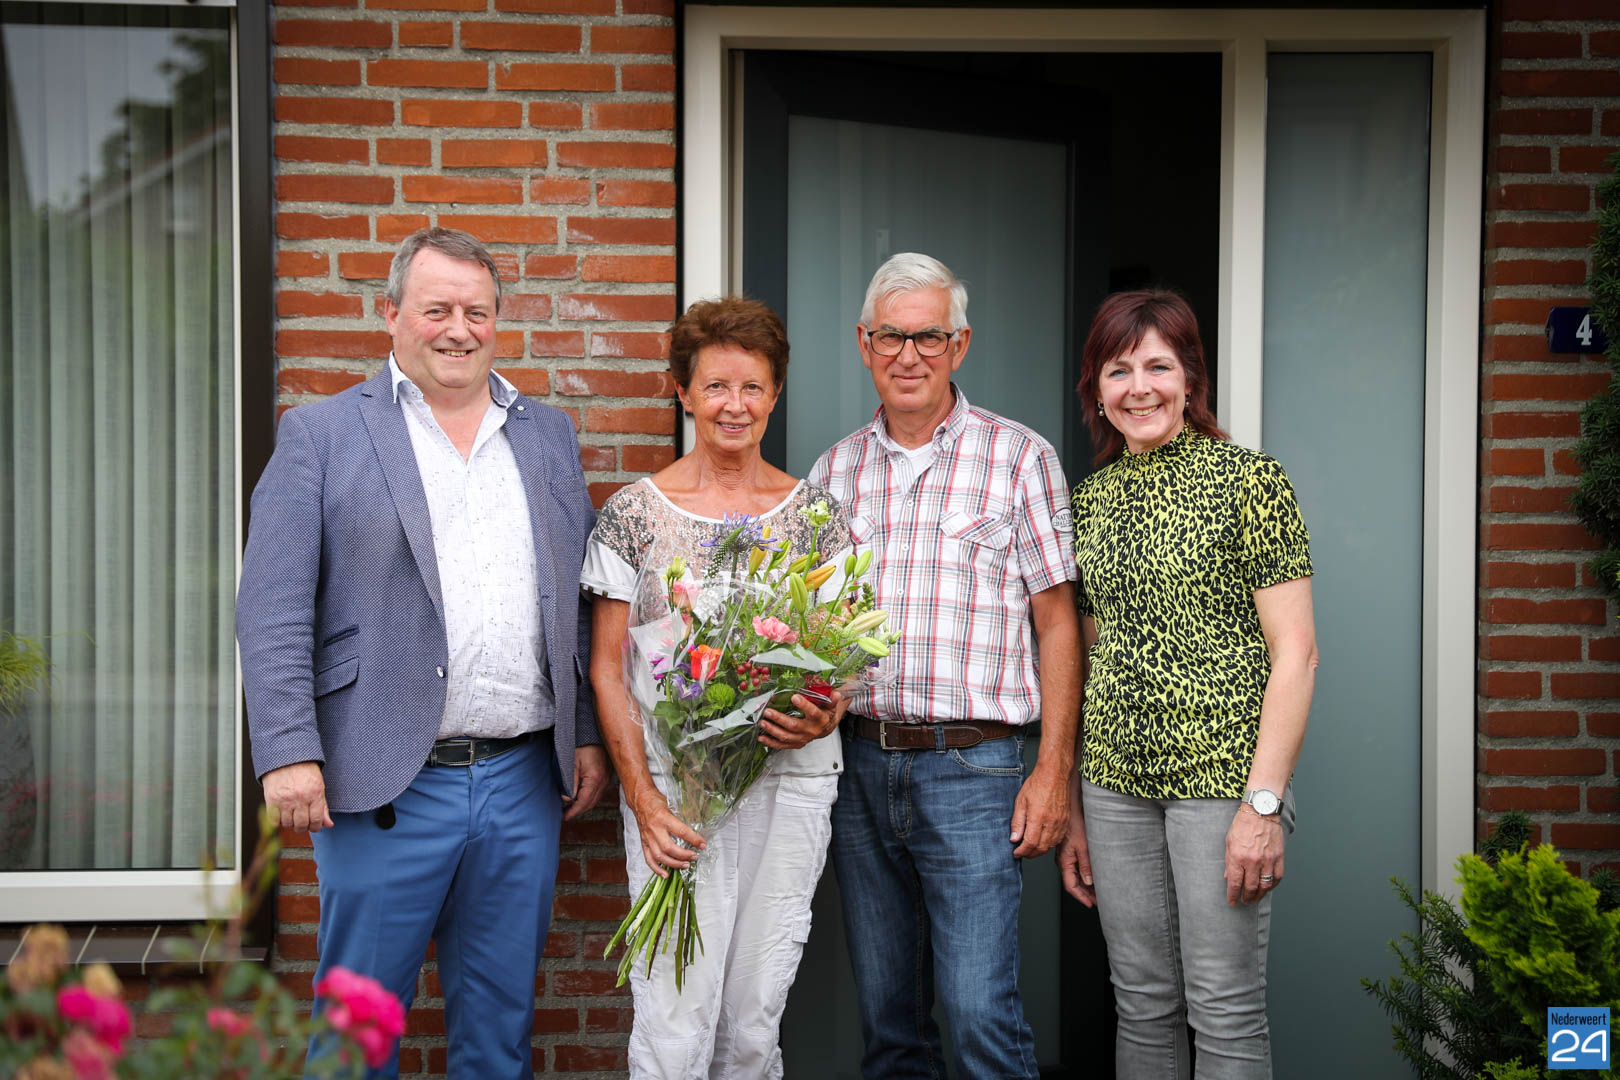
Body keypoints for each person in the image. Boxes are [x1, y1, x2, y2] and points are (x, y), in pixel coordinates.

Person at [237, 227, 610, 1078]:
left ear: (498, 321)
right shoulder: (322, 435)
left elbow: (576, 599)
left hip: (521, 782)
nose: (459, 330)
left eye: (477, 312)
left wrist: (585, 730)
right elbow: (272, 608)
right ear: (392, 315)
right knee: (356, 1040)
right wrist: (288, 750)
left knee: (498, 1037)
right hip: (383, 784)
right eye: (437, 309)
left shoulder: (546, 435)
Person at [806, 253, 1081, 1079]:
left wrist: (1053, 771)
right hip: (859, 765)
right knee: (890, 1024)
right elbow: (812, 629)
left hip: (975, 768)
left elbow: (1058, 625)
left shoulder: (1019, 458)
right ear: (864, 343)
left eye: (929, 336)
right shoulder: (834, 472)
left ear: (959, 345)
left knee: (978, 1015)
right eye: (891, 336)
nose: (909, 355)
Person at [583, 296, 850, 1079]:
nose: (735, 405)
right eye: (716, 386)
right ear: (683, 393)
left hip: (790, 785)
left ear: (775, 395)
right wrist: (645, 802)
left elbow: (839, 659)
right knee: (674, 1015)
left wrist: (825, 711)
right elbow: (608, 668)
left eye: (753, 387)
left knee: (756, 1014)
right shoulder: (633, 515)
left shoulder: (816, 517)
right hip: (676, 793)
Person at [1057, 289, 1318, 1080]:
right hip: (1114, 788)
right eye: (1118, 370)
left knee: (1224, 1007)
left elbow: (1297, 653)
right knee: (1141, 1004)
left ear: (1191, 379)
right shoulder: (1089, 500)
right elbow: (1094, 657)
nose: (1139, 388)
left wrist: (1263, 805)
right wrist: (1075, 809)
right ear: (1097, 389)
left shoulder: (1250, 480)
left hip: (1223, 785)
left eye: (1158, 367)